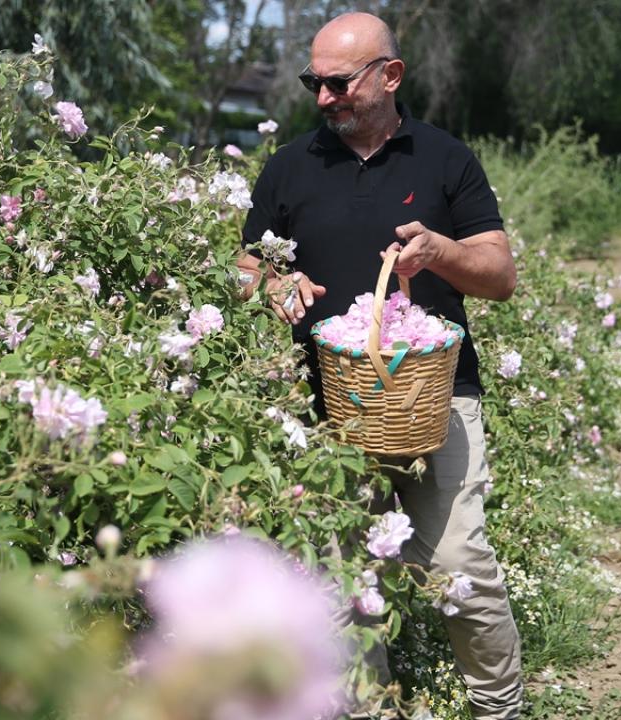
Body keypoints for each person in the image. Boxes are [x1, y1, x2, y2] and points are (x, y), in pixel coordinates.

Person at [235, 12, 523, 720]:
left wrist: (441, 252)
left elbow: (499, 274)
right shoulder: (290, 166)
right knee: (337, 579)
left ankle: (500, 708)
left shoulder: (445, 159)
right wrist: (272, 283)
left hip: (437, 398)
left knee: (458, 567)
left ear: (389, 76)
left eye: (338, 83)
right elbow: (244, 264)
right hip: (325, 407)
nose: (324, 98)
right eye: (315, 83)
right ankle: (370, 710)